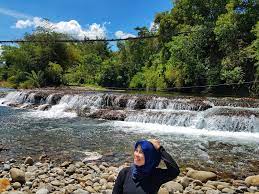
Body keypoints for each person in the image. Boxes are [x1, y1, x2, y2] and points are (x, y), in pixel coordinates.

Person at [112, 139, 180, 194]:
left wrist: (160, 149)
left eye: (141, 152)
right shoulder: (125, 173)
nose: (137, 154)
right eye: (136, 150)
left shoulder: (155, 175)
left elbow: (175, 171)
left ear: (149, 157)